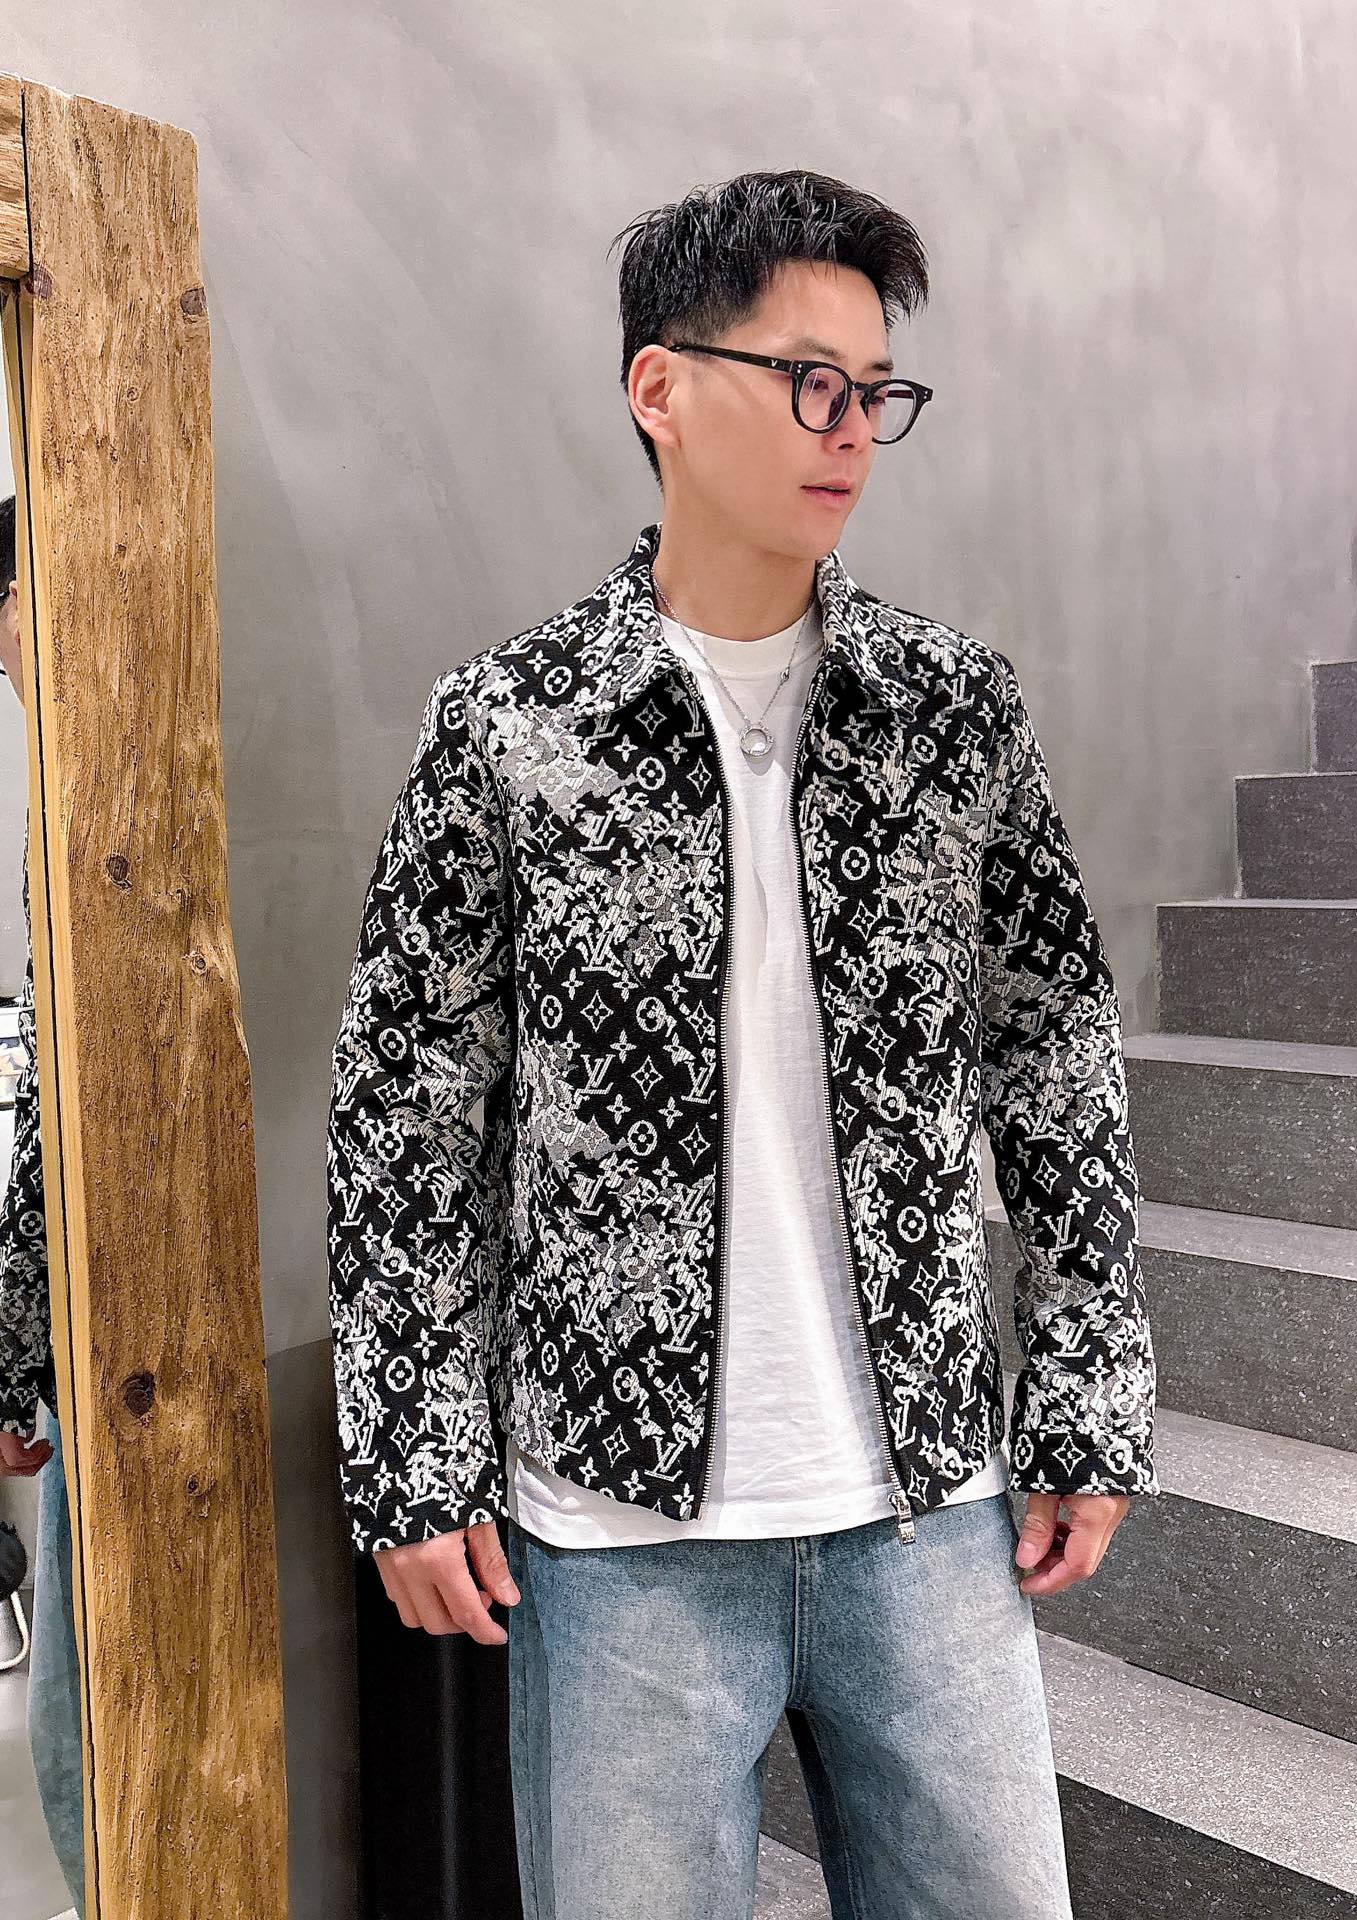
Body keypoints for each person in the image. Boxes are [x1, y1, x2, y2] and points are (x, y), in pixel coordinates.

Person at [326, 169, 1159, 1919]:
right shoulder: (514, 726)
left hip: (929, 1508)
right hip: (618, 1541)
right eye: (807, 380)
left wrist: (1088, 1392)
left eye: (876, 392)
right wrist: (412, 1454)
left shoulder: (952, 714)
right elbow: (405, 1107)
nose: (849, 428)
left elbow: (1055, 1053)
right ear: (661, 388)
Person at [0, 491, 88, 1913]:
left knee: (81, 1744)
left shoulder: (84, 802)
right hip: (71, 1345)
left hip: (104, 1339)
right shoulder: (50, 795)